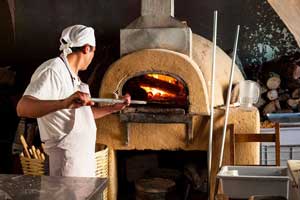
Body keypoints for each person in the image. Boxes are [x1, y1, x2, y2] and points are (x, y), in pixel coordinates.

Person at [16, 24, 131, 177]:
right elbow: (23, 107)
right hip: (65, 167)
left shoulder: (72, 76)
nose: (92, 57)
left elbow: (82, 116)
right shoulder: (53, 70)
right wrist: (63, 103)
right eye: (93, 52)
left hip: (81, 165)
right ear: (86, 48)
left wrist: (112, 108)